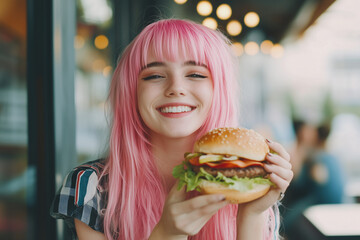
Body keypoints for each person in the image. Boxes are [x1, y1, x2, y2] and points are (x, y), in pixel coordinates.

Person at [50, 19, 293, 240]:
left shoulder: (251, 183)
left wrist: (251, 214)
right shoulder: (90, 187)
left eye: (196, 74)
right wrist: (167, 233)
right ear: (131, 91)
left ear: (219, 90)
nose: (176, 88)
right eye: (154, 75)